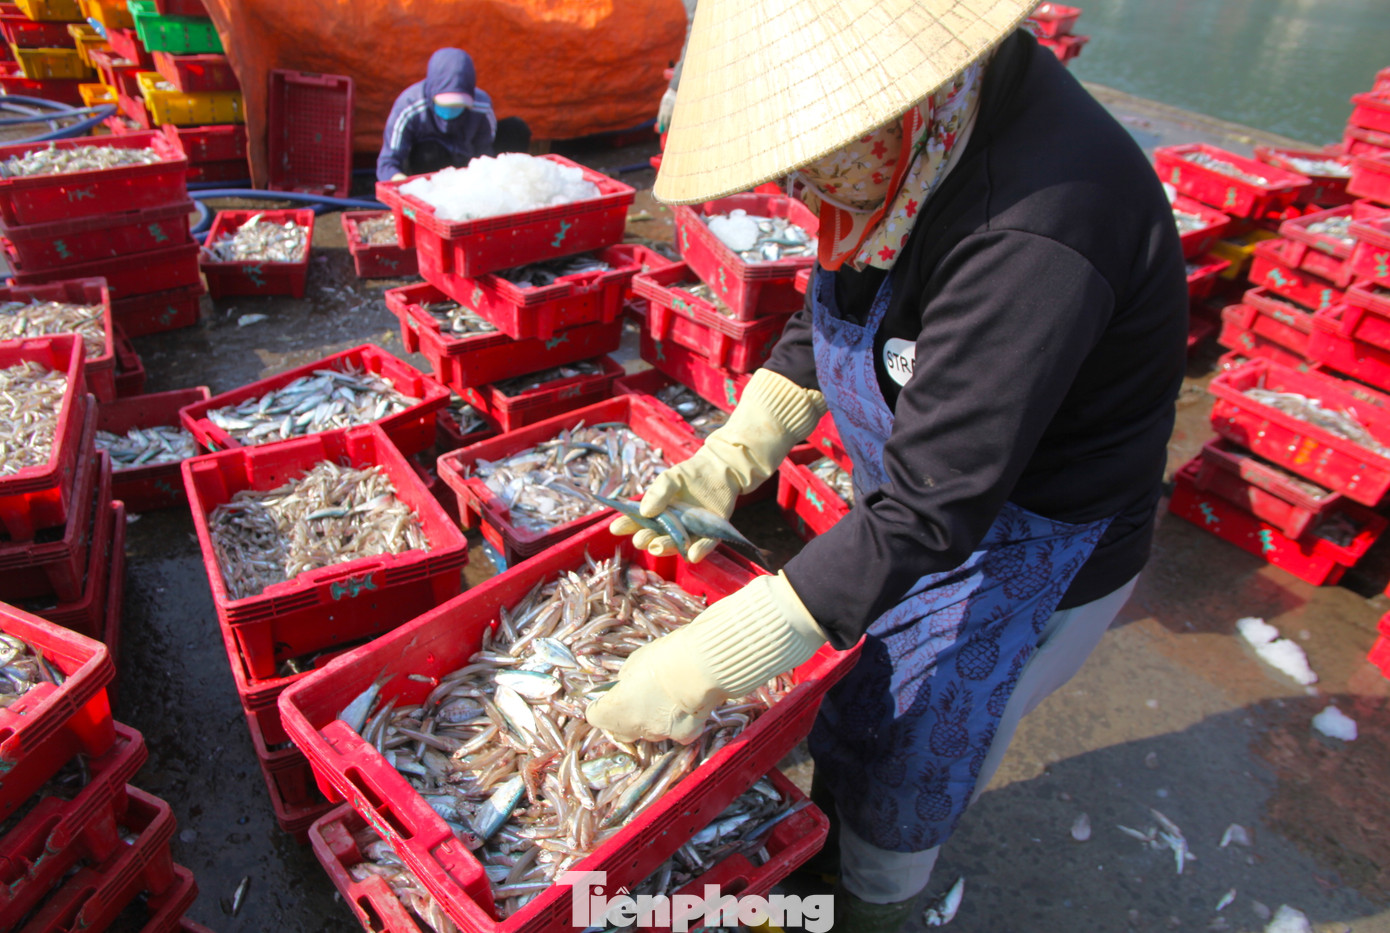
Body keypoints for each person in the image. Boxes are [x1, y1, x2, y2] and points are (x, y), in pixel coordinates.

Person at [587, 0, 1189, 929]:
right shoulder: (911, 150)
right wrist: (737, 449)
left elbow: (932, 505)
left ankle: (870, 900)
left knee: (918, 744)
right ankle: (828, 844)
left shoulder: (1038, 230)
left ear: (888, 110)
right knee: (856, 691)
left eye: (811, 171)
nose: (803, 194)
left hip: (1029, 542)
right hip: (923, 502)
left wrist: (707, 660)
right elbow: (836, 301)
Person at [376, 48, 531, 183]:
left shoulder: (481, 107)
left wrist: (484, 179)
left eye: (459, 105)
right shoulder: (409, 107)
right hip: (432, 173)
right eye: (444, 104)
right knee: (428, 153)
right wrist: (402, 184)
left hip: (468, 165)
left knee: (515, 129)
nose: (450, 111)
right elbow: (388, 163)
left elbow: (484, 152)